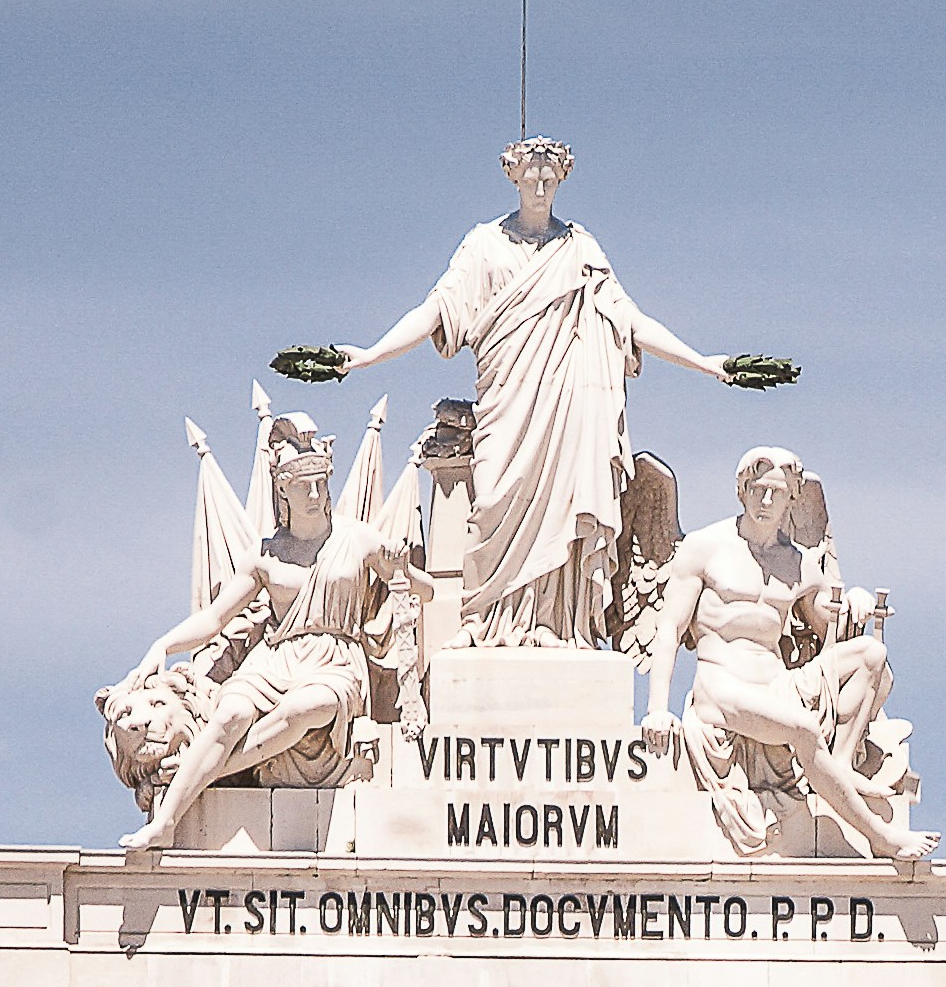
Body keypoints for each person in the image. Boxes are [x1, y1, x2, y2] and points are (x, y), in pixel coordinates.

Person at [316, 139, 769, 645]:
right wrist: (370, 354)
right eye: (530, 175)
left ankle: (553, 624)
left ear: (562, 179)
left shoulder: (580, 249)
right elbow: (434, 312)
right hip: (505, 405)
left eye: (549, 177)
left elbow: (632, 321)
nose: (539, 185)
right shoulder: (483, 245)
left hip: (566, 407)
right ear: (512, 175)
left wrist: (708, 364)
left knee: (561, 507)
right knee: (492, 503)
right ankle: (483, 620)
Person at [99, 413, 419, 853]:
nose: (314, 494)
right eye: (302, 485)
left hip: (335, 662)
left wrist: (403, 568)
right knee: (229, 716)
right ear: (281, 490)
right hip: (275, 660)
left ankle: (208, 772)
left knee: (312, 705)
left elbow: (425, 590)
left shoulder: (360, 539)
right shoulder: (265, 556)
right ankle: (166, 823)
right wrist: (163, 645)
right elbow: (215, 619)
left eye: (321, 483)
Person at [640, 447, 933, 870]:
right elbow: (668, 629)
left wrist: (854, 603)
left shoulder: (801, 564)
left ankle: (842, 765)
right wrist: (656, 709)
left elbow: (829, 633)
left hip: (776, 685)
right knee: (802, 728)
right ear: (741, 491)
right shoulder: (704, 548)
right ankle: (880, 836)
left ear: (792, 497)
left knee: (873, 656)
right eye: (757, 490)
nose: (765, 502)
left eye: (776, 493)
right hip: (721, 687)